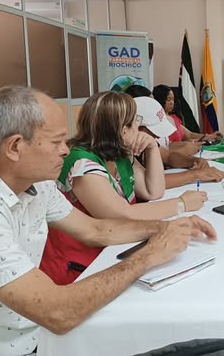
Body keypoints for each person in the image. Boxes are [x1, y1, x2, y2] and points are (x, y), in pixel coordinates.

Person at [0, 86, 216, 355]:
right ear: (15, 147)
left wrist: (164, 228)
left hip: (42, 334)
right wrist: (150, 255)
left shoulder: (36, 181)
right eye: (56, 142)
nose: (65, 150)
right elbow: (57, 312)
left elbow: (95, 229)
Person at [39, 91, 208, 285]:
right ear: (123, 130)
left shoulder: (119, 153)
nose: (139, 128)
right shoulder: (81, 164)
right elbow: (122, 215)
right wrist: (181, 204)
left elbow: (153, 191)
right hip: (79, 268)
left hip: (111, 249)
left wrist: (152, 147)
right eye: (135, 122)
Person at [135, 96, 224, 187]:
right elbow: (151, 183)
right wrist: (195, 174)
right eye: (153, 131)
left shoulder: (146, 139)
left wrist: (192, 161)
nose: (157, 136)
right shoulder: (127, 152)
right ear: (135, 127)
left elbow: (167, 156)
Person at [153, 84, 222, 144]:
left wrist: (210, 136)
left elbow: (190, 135)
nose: (172, 103)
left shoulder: (174, 118)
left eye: (173, 99)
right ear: (160, 100)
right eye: (169, 99)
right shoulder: (157, 120)